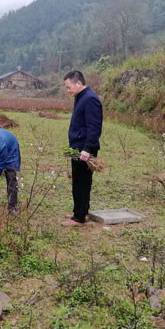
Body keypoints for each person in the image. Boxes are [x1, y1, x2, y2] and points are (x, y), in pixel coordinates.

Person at [61, 70, 103, 227]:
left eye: (69, 86)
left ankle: (79, 218)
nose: (68, 90)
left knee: (82, 182)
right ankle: (79, 211)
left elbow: (94, 127)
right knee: (77, 181)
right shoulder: (80, 97)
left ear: (78, 83)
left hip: (84, 149)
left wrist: (87, 148)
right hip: (76, 146)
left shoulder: (90, 99)